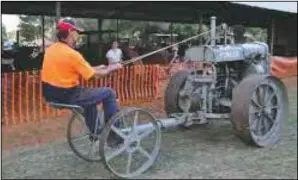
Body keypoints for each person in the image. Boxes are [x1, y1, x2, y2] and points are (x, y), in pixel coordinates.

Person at [41, 17, 123, 143]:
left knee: (90, 100)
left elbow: (77, 68)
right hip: (68, 94)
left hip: (51, 95)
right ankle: (114, 135)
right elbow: (93, 76)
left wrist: (98, 67)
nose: (78, 35)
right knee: (109, 93)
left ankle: (95, 132)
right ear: (70, 33)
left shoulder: (51, 50)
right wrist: (112, 67)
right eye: (76, 32)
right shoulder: (72, 54)